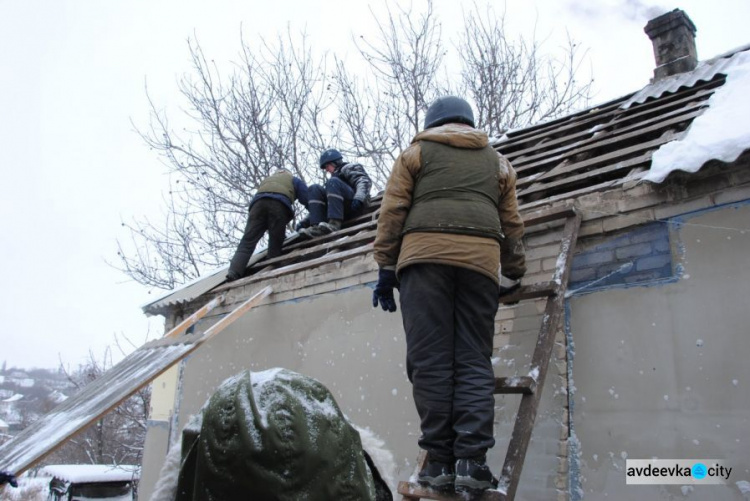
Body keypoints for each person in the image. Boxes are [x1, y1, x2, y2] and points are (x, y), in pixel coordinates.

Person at [372, 96, 526, 495]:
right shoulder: (497, 162)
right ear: (469, 122)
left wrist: (385, 268)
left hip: (423, 263)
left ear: (433, 121)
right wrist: (515, 270)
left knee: (430, 361)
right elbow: (511, 222)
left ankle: (439, 461)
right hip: (479, 265)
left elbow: (393, 212)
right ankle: (472, 462)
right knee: (473, 360)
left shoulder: (415, 154)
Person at [226, 168, 308, 282]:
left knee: (248, 240)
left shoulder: (267, 180)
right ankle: (271, 270)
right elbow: (306, 198)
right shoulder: (293, 180)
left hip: (257, 206)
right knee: (276, 241)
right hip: (279, 205)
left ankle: (234, 271)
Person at [297, 149, 372, 238]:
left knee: (333, 182)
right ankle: (316, 227)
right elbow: (327, 203)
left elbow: (363, 181)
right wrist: (305, 221)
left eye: (327, 166)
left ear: (335, 162)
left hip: (355, 206)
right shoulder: (332, 182)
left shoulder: (348, 167)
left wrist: (359, 198)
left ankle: (334, 224)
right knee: (314, 188)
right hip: (340, 209)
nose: (326, 169)